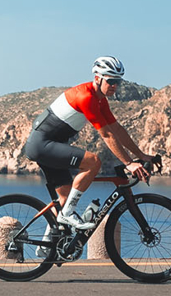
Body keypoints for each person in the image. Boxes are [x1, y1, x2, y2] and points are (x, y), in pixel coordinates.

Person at [24, 56, 162, 232]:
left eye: (118, 81)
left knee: (65, 199)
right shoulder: (86, 97)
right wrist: (128, 163)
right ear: (98, 78)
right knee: (93, 162)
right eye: (111, 80)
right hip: (42, 145)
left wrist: (141, 155)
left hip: (50, 145)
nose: (114, 86)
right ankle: (67, 214)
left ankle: (46, 249)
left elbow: (117, 130)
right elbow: (106, 134)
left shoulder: (100, 100)